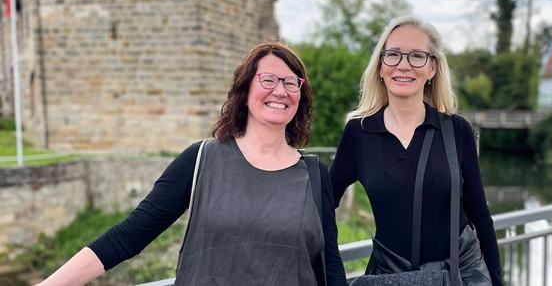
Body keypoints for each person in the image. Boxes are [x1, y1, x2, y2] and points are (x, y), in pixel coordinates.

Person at [36, 42, 346, 286]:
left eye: (291, 83)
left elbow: (329, 268)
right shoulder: (201, 160)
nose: (280, 90)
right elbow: (128, 236)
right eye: (268, 79)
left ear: (300, 96)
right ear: (245, 88)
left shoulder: (314, 176)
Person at [330, 16, 503, 285]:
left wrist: (497, 281)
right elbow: (324, 206)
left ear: (432, 68)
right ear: (380, 66)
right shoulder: (359, 133)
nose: (403, 65)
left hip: (458, 276)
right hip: (391, 277)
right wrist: (333, 274)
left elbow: (481, 215)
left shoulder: (457, 130)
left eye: (417, 56)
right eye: (393, 55)